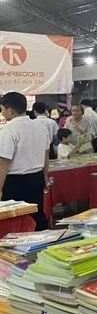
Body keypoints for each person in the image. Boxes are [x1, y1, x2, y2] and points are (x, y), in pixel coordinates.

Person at [0, 93, 50, 230]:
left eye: (2, 109)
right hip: (37, 178)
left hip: (15, 182)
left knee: (17, 217)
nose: (2, 113)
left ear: (10, 110)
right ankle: (42, 242)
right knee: (37, 212)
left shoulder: (8, 131)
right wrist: (45, 176)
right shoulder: (40, 127)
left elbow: (4, 162)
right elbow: (46, 155)